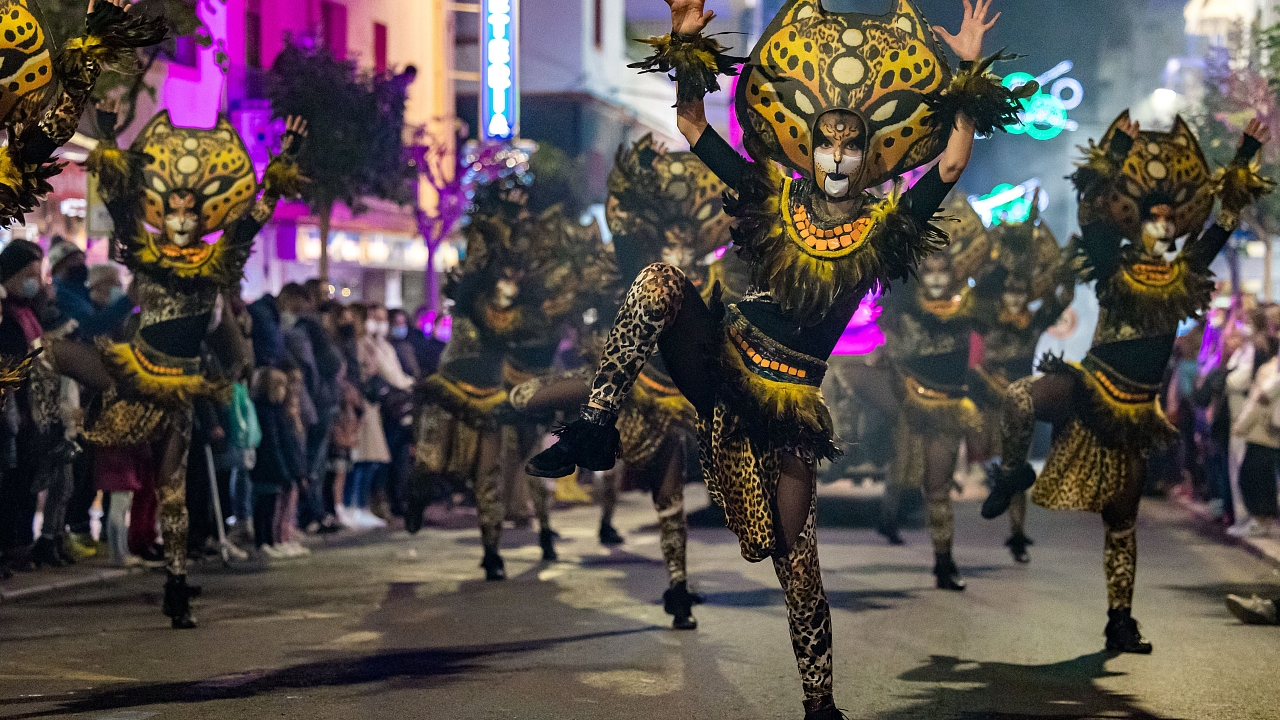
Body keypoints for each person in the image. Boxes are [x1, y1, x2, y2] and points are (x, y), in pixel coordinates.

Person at [527, 0, 1027, 714]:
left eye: (851, 148)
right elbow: (694, 126)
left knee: (795, 563)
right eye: (825, 145)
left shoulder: (884, 230)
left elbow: (950, 161)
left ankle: (820, 705)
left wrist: (969, 68)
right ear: (808, 148)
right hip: (724, 367)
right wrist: (688, 41)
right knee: (660, 282)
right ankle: (597, 425)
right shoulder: (767, 193)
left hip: (790, 404)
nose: (835, 157)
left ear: (867, 157)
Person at [982, 112, 1273, 654]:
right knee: (1019, 396)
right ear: (1137, 222)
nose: (1161, 222)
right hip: (1090, 384)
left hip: (1136, 410)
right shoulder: (1111, 265)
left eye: (1169, 216)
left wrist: (1245, 155)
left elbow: (1226, 221)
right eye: (1151, 215)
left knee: (1122, 522)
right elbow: (1092, 210)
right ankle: (1013, 471)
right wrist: (1116, 146)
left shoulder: (1188, 271)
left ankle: (1121, 621)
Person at [78, 106, 307, 629]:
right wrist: (111, 139)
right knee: (51, 357)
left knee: (172, 488)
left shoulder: (217, 266)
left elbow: (253, 217)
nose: (180, 219)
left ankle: (177, 582)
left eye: (190, 213)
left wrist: (284, 160)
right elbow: (117, 201)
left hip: (179, 387)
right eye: (172, 212)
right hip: (133, 372)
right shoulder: (143, 251)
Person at [510, 133, 731, 627]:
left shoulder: (716, 275)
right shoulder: (637, 263)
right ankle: (563, 443)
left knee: (668, 496)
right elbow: (621, 219)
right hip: (630, 378)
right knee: (527, 398)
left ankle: (678, 586)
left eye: (687, 245)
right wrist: (633, 175)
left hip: (684, 385)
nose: (679, 253)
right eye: (670, 244)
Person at [876, 195, 1003, 590]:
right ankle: (889, 517)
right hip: (908, 400)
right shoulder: (904, 304)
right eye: (926, 268)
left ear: (953, 271)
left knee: (937, 486)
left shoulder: (970, 306)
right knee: (902, 469)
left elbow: (993, 272)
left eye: (941, 267)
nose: (934, 276)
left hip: (949, 406)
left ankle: (943, 561)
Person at [969, 201, 1075, 563]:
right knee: (989, 459)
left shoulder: (1033, 320)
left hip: (1020, 403)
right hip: (989, 395)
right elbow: (975, 292)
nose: (1014, 297)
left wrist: (1068, 267)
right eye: (1009, 291)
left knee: (1015, 470)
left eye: (1020, 292)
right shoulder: (989, 317)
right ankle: (988, 479)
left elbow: (1064, 299)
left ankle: (1017, 534)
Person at [1229, 334, 1280, 537]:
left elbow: (1259, 400)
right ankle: (1262, 519)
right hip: (1269, 431)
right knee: (1263, 477)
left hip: (1261, 431)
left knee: (1251, 477)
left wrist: (1241, 426)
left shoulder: (1270, 372)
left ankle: (1261, 519)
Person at [251, 368, 304, 558]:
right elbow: (273, 446)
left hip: (276, 467)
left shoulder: (275, 412)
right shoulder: (266, 414)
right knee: (265, 506)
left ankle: (274, 540)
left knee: (274, 505)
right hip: (268, 468)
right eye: (280, 387)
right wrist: (283, 470)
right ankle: (264, 541)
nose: (284, 391)